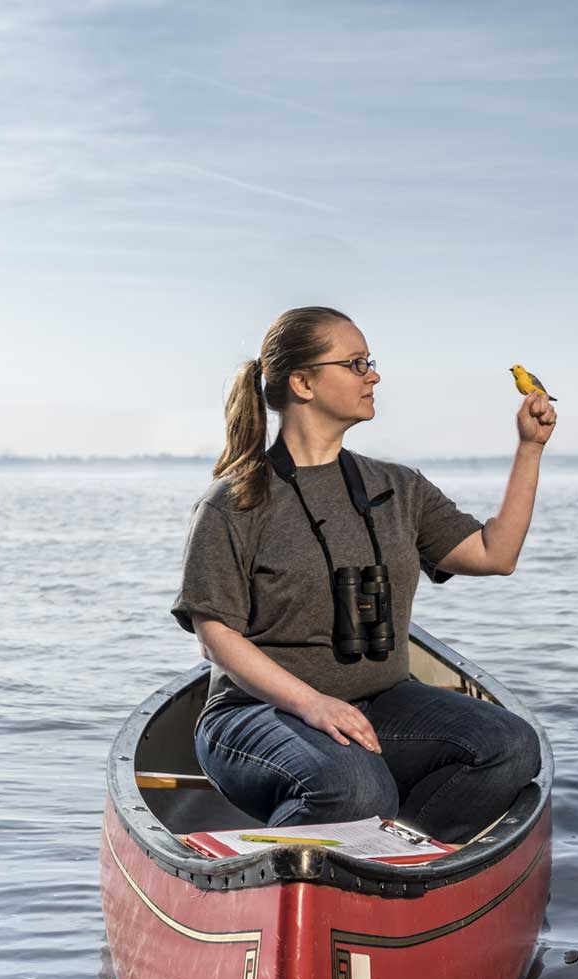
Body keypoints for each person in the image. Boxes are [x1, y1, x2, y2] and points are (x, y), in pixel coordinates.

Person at [169, 306, 556, 843]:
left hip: (381, 703)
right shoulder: (234, 502)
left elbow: (496, 553)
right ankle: (284, 873)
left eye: (369, 362)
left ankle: (396, 859)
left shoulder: (397, 487)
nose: (373, 375)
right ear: (303, 382)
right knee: (355, 788)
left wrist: (530, 449)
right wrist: (312, 703)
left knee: (510, 746)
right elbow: (215, 637)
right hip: (255, 713)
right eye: (355, 364)